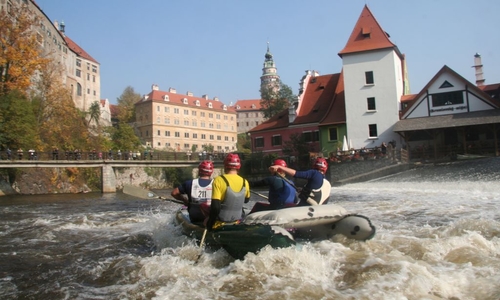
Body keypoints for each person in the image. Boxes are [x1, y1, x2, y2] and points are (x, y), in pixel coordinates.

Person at [206, 153, 250, 230]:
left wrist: (210, 222)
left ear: (225, 166)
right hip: (237, 221)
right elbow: (246, 200)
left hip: (220, 223)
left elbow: (215, 207)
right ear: (238, 166)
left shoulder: (218, 180)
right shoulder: (245, 182)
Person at [171, 160, 214, 224]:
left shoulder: (189, 183)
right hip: (211, 217)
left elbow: (174, 193)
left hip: (195, 217)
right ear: (211, 172)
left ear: (199, 171)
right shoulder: (216, 184)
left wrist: (184, 200)